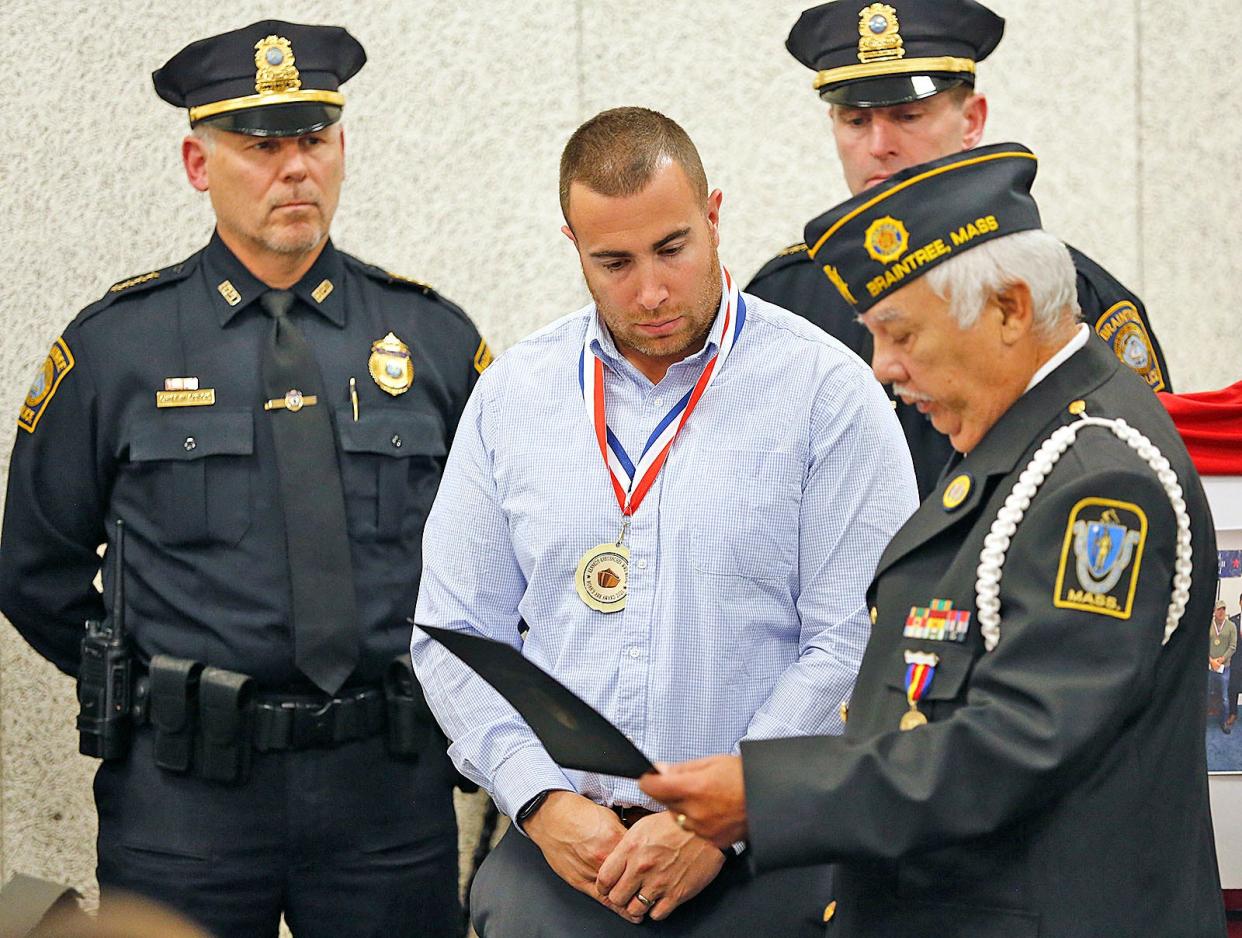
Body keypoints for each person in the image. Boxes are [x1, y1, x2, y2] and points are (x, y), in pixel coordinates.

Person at [641, 143, 1226, 936]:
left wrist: (766, 796)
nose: (883, 368)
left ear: (1012, 310)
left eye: (902, 334)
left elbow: (1015, 744)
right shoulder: (1022, 440)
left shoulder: (1097, 479)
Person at [0, 21, 489, 938]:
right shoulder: (116, 350)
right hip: (187, 796)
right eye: (262, 146)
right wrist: (151, 685)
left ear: (342, 148)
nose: (295, 169)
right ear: (198, 162)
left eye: (313, 139)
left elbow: (501, 557)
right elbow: (34, 570)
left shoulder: (432, 341)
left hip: (386, 788)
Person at [410, 106, 918, 936]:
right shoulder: (513, 397)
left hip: (770, 855)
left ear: (714, 217)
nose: (649, 290)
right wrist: (536, 800)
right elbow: (456, 631)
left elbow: (856, 637)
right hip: (572, 850)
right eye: (613, 261)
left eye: (672, 249)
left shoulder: (826, 392)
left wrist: (721, 815)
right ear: (573, 245)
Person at [748, 0, 1173, 499]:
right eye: (854, 121)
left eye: (907, 115)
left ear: (971, 121)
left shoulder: (1072, 296)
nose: (878, 144)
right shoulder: (787, 297)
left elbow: (1142, 482)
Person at [1210, 599, 1236, 731]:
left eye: (1223, 609)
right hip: (1209, 667)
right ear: (1214, 611)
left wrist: (1221, 660)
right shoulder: (1208, 625)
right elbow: (1203, 644)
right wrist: (1211, 660)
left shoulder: (1231, 626)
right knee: (1205, 694)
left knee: (1225, 698)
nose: (1221, 612)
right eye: (1219, 609)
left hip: (1224, 668)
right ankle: (1200, 724)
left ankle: (1224, 722)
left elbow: (1232, 647)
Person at [1227, 593, 1242, 729]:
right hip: (1236, 661)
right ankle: (1233, 713)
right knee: (1233, 688)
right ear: (1240, 603)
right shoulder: (1232, 621)